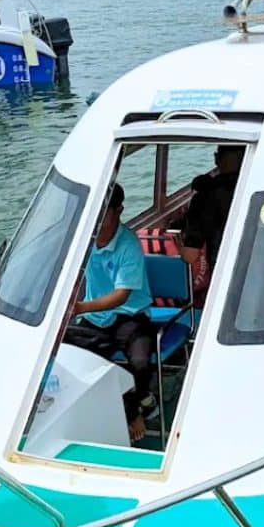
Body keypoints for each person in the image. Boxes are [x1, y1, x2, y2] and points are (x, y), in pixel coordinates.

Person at [64, 183, 156, 442]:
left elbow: (121, 295)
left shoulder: (129, 244)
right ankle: (106, 405)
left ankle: (135, 410)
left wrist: (80, 307)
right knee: (64, 349)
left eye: (105, 212)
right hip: (95, 317)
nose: (99, 219)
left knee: (140, 361)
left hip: (130, 315)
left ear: (119, 210)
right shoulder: (85, 240)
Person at [179, 145, 244, 271]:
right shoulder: (261, 188)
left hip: (223, 268)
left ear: (216, 158)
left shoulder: (203, 198)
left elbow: (190, 255)